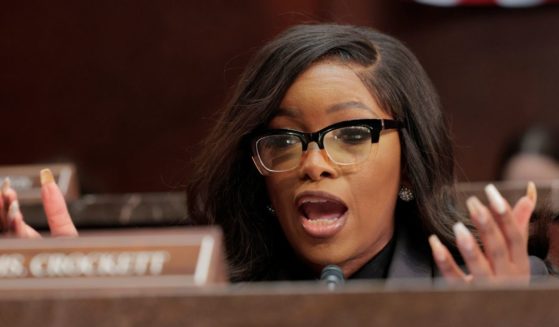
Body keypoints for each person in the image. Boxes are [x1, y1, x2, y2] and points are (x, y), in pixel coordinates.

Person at [0, 24, 549, 284]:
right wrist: (90, 307)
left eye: (352, 134)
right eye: (284, 140)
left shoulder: (513, 284)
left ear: (409, 162)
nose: (314, 163)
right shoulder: (208, 297)